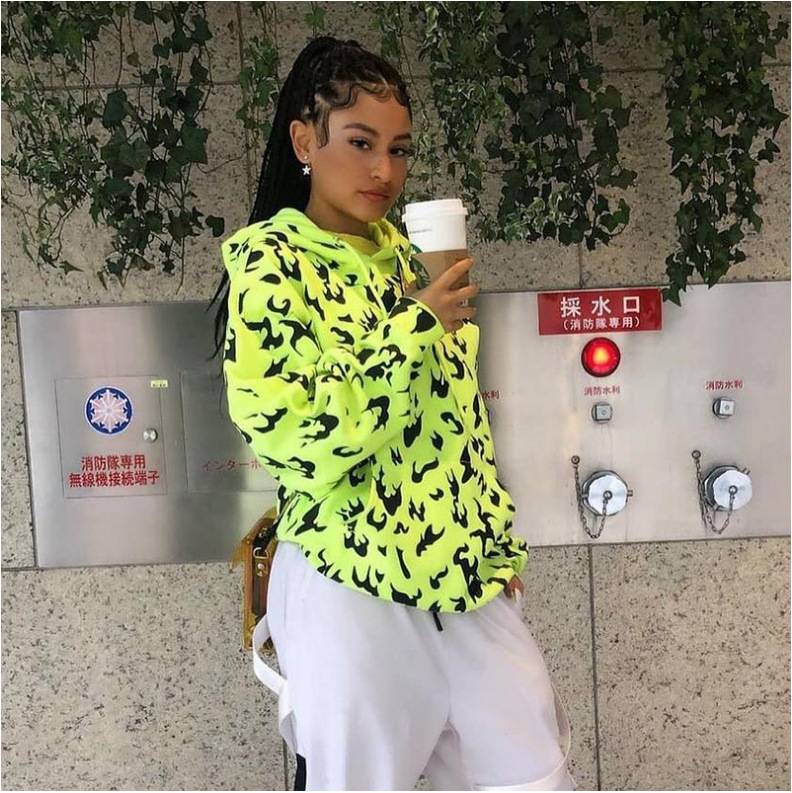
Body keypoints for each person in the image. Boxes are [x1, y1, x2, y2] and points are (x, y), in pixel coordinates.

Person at [209, 35, 574, 792]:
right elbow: (296, 440)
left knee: (529, 772)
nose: (384, 169)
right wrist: (414, 326)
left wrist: (490, 544)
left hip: (460, 581)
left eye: (399, 149)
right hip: (351, 580)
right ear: (304, 142)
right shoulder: (273, 265)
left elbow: (456, 424)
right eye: (361, 142)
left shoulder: (409, 260)